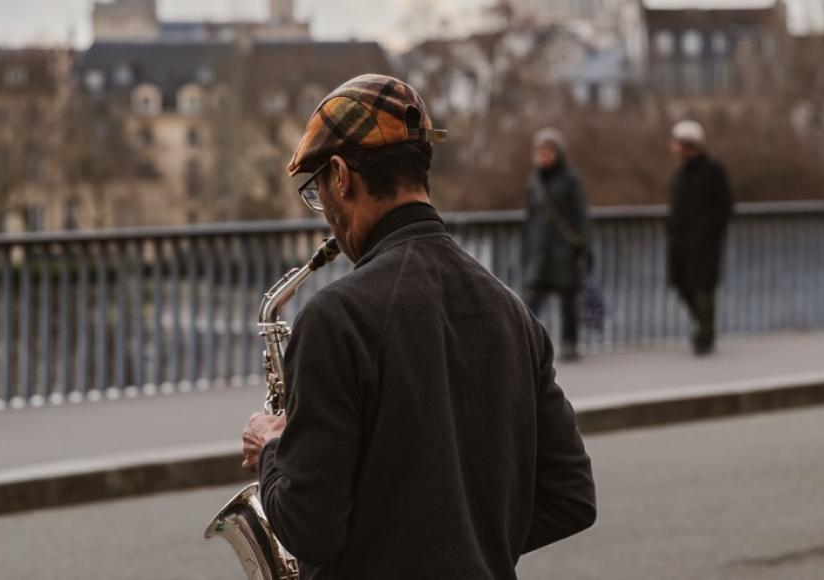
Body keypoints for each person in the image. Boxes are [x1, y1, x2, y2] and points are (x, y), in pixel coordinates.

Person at [240, 74, 596, 579]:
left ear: (340, 175)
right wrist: (470, 546)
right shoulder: (514, 313)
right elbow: (571, 498)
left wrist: (273, 447)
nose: (327, 217)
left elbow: (308, 527)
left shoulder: (335, 318)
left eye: (318, 192)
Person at [522, 128, 592, 362]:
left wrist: (585, 248)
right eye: (540, 152)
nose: (544, 156)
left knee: (568, 300)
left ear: (558, 153)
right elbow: (530, 217)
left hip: (564, 251)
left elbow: (580, 215)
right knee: (531, 302)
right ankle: (525, 345)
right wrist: (526, 249)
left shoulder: (570, 178)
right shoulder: (534, 180)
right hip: (540, 251)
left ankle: (569, 344)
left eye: (548, 151)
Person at [667, 120, 733, 356]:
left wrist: (706, 230)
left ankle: (705, 333)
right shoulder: (680, 173)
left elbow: (724, 206)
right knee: (682, 284)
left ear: (689, 145)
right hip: (681, 242)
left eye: (678, 144)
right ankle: (702, 325)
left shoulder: (713, 170)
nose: (674, 148)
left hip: (704, 243)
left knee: (703, 286)